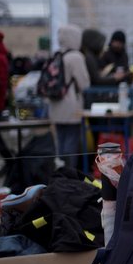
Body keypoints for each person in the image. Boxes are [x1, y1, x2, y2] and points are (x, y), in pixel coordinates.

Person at [46, 24, 91, 171]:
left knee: (60, 141)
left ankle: (60, 173)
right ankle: (70, 174)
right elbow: (84, 83)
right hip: (71, 106)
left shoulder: (56, 55)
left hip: (55, 104)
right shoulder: (76, 57)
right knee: (71, 142)